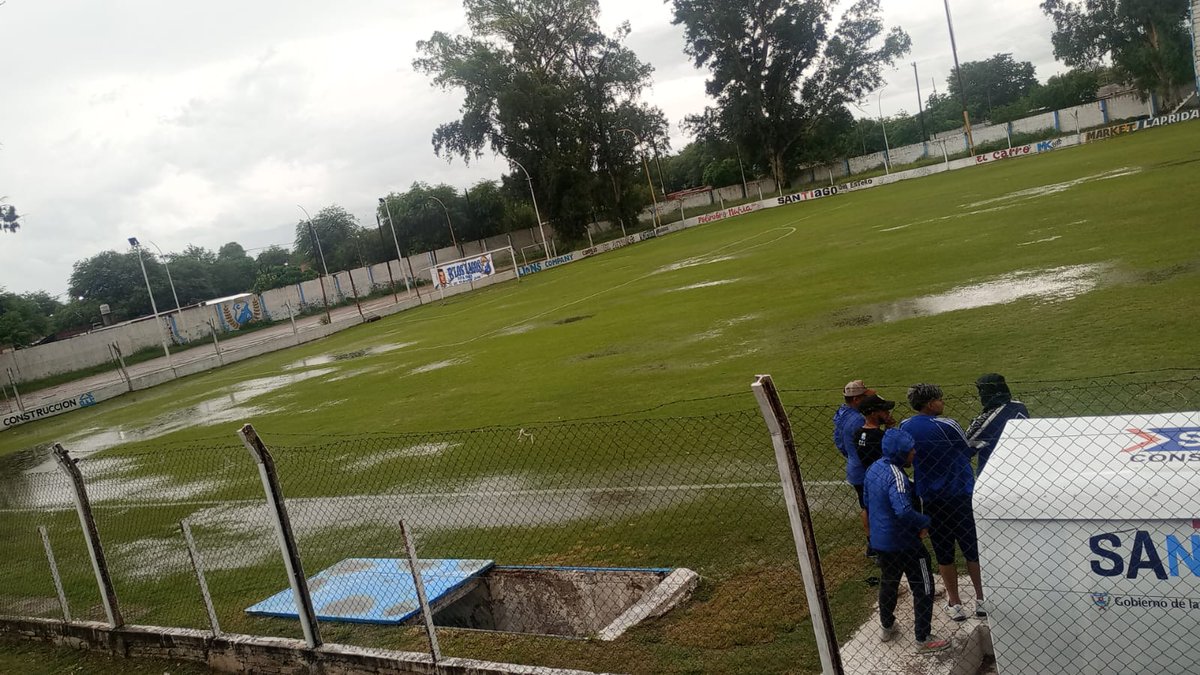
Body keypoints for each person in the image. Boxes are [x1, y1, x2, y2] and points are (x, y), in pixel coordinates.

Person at [900, 383, 986, 622]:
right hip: (960, 496)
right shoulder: (948, 425)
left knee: (944, 552)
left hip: (931, 500)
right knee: (971, 549)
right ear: (930, 404)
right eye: (939, 399)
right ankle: (981, 599)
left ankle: (955, 603)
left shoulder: (905, 426)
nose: (943, 402)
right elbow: (966, 450)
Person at [865, 428, 949, 653]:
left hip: (881, 542)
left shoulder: (874, 469)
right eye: (910, 450)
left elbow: (867, 501)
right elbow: (902, 510)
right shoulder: (897, 476)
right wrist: (924, 521)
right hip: (904, 542)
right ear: (901, 453)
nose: (914, 453)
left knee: (889, 581)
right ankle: (923, 638)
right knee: (924, 585)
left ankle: (887, 625)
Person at [833, 380, 873, 551]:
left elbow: (839, 442)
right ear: (856, 399)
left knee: (865, 506)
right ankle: (874, 545)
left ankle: (872, 543)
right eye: (864, 397)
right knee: (871, 508)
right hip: (865, 470)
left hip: (854, 468)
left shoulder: (842, 414)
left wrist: (851, 456)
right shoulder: (858, 420)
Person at [966, 373, 1029, 475]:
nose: (980, 394)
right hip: (1023, 465)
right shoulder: (1019, 406)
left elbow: (964, 446)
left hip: (992, 474)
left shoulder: (985, 421)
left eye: (982, 390)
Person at [855, 393, 897, 476]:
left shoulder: (857, 434)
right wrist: (890, 431)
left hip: (870, 475)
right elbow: (893, 457)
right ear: (873, 414)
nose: (888, 412)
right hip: (885, 476)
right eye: (884, 410)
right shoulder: (880, 436)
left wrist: (888, 428)